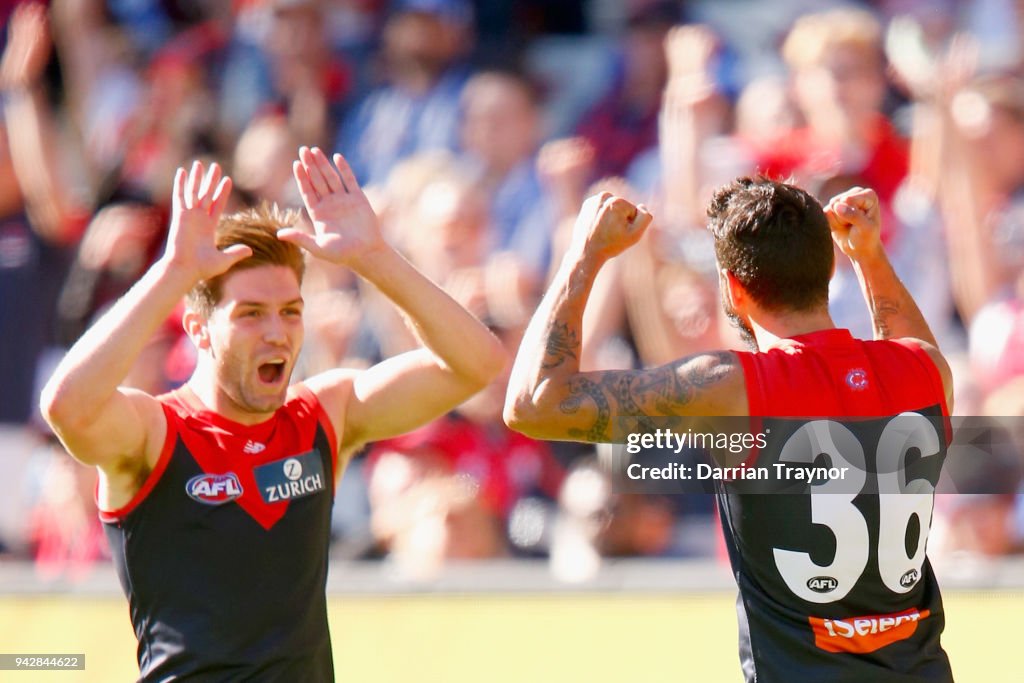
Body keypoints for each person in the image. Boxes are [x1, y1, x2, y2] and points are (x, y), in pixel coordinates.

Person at [40, 147, 507, 681]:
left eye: (290, 312)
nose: (276, 332)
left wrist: (374, 256)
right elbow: (67, 407)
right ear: (198, 329)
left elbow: (477, 364)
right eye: (251, 314)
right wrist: (172, 272)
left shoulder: (323, 415)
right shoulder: (156, 433)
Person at [504, 178, 955, 682]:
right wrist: (869, 256)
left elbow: (531, 405)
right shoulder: (927, 371)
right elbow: (906, 342)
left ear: (733, 288)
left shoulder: (730, 390)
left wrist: (582, 256)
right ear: (828, 268)